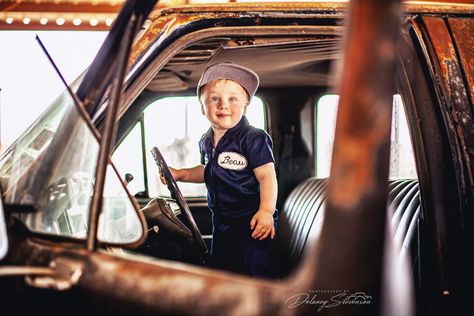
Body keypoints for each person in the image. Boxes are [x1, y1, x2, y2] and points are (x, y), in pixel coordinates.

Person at [163, 62, 278, 277]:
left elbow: (267, 177)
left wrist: (266, 211)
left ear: (245, 105)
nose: (223, 105)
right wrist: (180, 174)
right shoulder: (206, 140)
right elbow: (208, 171)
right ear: (202, 107)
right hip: (221, 222)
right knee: (223, 270)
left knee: (255, 272)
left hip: (252, 223)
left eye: (232, 99)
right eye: (214, 98)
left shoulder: (253, 138)